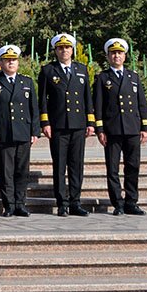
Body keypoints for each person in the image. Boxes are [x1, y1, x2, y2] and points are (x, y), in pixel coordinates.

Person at [38, 32, 94, 216]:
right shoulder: (48, 70)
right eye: (60, 48)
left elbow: (87, 98)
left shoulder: (82, 69)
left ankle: (75, 202)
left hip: (78, 125)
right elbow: (43, 100)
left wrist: (90, 122)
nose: (64, 51)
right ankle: (62, 203)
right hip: (58, 125)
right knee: (60, 165)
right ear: (55, 50)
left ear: (73, 50)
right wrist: (45, 122)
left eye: (67, 47)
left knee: (77, 165)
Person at [94, 38, 147, 216]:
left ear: (125, 56)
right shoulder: (102, 78)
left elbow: (142, 103)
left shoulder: (133, 77)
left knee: (133, 166)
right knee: (113, 169)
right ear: (108, 56)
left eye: (119, 53)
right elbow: (99, 105)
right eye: (113, 53)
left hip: (132, 128)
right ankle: (117, 203)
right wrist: (100, 129)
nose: (116, 56)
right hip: (113, 130)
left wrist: (145, 127)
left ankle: (131, 202)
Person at [0, 45, 40, 217]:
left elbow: (33, 109)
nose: (11, 63)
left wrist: (35, 131)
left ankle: (20, 204)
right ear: (0, 63)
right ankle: (9, 205)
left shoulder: (27, 82)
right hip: (4, 133)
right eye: (7, 60)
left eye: (13, 60)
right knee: (6, 172)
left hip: (23, 132)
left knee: (22, 171)